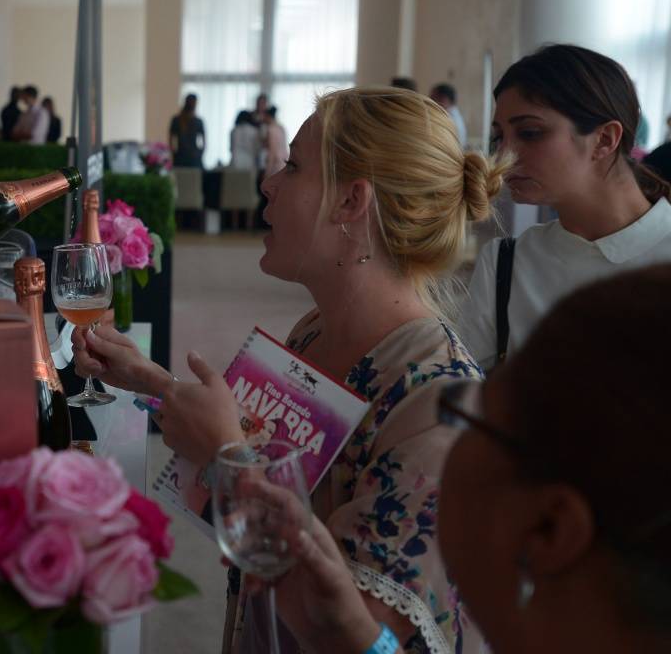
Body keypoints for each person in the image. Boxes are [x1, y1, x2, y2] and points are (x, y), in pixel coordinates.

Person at [76, 86, 507, 653]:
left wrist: (226, 459)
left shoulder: (439, 403)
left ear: (351, 201)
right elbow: (258, 474)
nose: (269, 182)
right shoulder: (314, 331)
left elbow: (363, 636)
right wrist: (148, 380)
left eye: (294, 166)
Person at [259, 264, 671, 654]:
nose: (445, 442)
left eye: (474, 415)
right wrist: (352, 631)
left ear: (550, 528)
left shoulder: (430, 368)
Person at [456, 44, 671, 371]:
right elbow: (469, 391)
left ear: (604, 139)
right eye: (499, 138)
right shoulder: (506, 263)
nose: (504, 156)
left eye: (530, 133)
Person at [170, 93, 206, 167]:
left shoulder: (198, 121)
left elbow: (204, 140)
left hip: (192, 158)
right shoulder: (177, 120)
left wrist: (200, 153)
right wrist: (174, 153)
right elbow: (171, 138)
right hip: (181, 157)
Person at [430, 82, 468, 148]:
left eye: (433, 98)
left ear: (443, 99)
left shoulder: (450, 119)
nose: (430, 102)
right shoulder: (452, 115)